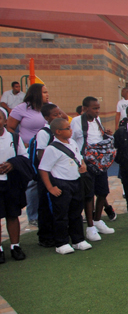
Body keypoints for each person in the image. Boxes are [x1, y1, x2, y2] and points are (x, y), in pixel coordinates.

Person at [38, 118, 92, 255]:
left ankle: (78, 239)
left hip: (76, 181)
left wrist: (83, 165)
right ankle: (61, 242)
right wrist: (50, 188)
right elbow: (43, 169)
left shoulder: (72, 142)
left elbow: (78, 157)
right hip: (62, 183)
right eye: (67, 128)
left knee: (76, 212)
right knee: (61, 214)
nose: (71, 130)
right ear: (58, 131)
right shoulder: (52, 148)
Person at [71, 97, 115, 242]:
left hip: (100, 161)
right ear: (85, 108)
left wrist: (105, 133)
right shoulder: (76, 122)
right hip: (86, 162)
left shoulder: (97, 120)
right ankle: (90, 227)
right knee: (88, 195)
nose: (97, 111)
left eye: (98, 108)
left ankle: (97, 221)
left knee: (103, 192)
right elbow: (72, 141)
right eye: (94, 108)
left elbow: (97, 137)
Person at [7, 83, 50, 227]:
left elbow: (60, 119)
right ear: (36, 94)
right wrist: (21, 142)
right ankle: (33, 215)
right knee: (33, 182)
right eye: (44, 92)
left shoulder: (48, 107)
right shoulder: (22, 108)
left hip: (49, 149)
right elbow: (10, 127)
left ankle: (49, 211)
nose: (47, 95)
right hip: (31, 150)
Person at [0, 107, 32, 262]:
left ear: (5, 121)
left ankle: (15, 245)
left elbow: (24, 157)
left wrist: (12, 164)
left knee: (13, 215)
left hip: (11, 183)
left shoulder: (14, 137)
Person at [33, 103, 63, 247]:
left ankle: (59, 232)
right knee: (45, 205)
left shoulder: (60, 131)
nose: (58, 116)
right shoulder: (44, 133)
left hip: (59, 173)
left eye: (59, 113)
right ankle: (45, 236)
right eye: (54, 115)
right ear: (46, 118)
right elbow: (41, 154)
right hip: (46, 174)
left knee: (58, 203)